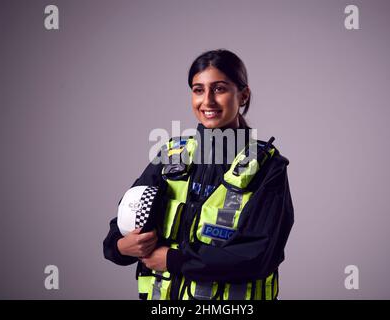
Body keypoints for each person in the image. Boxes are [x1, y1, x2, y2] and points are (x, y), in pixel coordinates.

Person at [103, 49, 294, 300]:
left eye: (219, 89)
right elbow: (121, 228)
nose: (208, 101)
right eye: (198, 89)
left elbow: (259, 255)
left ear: (243, 95)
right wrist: (121, 246)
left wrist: (175, 260)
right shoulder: (172, 155)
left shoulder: (268, 167)